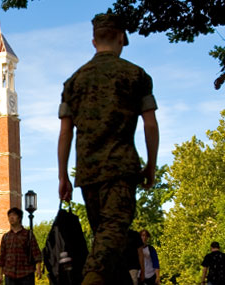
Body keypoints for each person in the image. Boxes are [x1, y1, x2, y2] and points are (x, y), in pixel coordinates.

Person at [56, 11, 160, 285]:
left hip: (88, 174)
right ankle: (90, 279)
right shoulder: (136, 76)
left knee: (108, 241)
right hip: (120, 169)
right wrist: (151, 164)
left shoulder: (74, 82)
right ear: (121, 38)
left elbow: (65, 131)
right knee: (112, 236)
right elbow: (150, 124)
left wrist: (63, 175)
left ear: (93, 41)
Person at [0, 207, 43, 285]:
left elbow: (36, 252)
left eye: (14, 215)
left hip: (26, 273)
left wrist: (38, 268)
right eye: (9, 216)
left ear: (19, 218)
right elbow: (2, 257)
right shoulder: (6, 237)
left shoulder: (28, 234)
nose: (11, 218)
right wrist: (0, 274)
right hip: (9, 274)